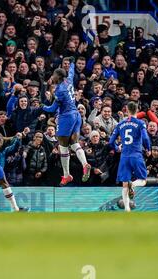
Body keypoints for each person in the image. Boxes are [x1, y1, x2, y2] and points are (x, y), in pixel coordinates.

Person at [43, 57, 91, 186]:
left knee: (63, 146)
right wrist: (72, 61)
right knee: (74, 143)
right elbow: (72, 70)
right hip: (76, 115)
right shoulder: (69, 80)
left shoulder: (59, 90)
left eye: (54, 74)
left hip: (67, 117)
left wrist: (42, 106)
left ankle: (66, 175)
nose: (52, 76)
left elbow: (53, 108)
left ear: (58, 77)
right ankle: (85, 163)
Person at [109, 102, 150, 212]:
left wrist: (117, 148)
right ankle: (134, 184)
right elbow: (145, 139)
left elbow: (111, 141)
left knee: (124, 184)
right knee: (143, 180)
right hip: (136, 155)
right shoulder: (140, 123)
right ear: (137, 110)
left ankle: (127, 209)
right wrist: (148, 149)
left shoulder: (120, 124)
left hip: (124, 156)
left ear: (126, 110)